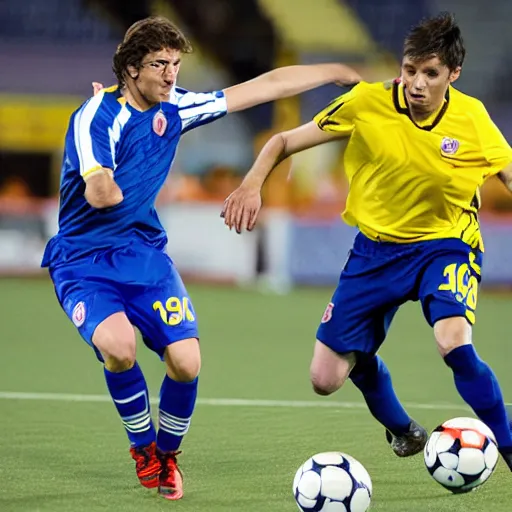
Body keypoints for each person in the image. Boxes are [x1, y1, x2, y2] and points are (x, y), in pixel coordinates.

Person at [41, 16, 361, 500]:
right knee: (119, 347)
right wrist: (111, 184)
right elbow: (99, 189)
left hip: (142, 254)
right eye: (158, 65)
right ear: (130, 69)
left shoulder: (179, 106)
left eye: (175, 64)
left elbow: (264, 87)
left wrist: (330, 69)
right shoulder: (95, 116)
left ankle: (167, 456)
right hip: (83, 261)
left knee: (187, 362)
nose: (171, 75)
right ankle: (143, 452)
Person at [221, 12, 512, 469]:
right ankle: (403, 429)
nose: (416, 83)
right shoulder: (366, 102)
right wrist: (252, 183)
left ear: (453, 75)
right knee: (324, 377)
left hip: (446, 243)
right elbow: (282, 141)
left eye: (430, 74)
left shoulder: (472, 118)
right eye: (409, 69)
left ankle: (509, 445)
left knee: (452, 342)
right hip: (375, 251)